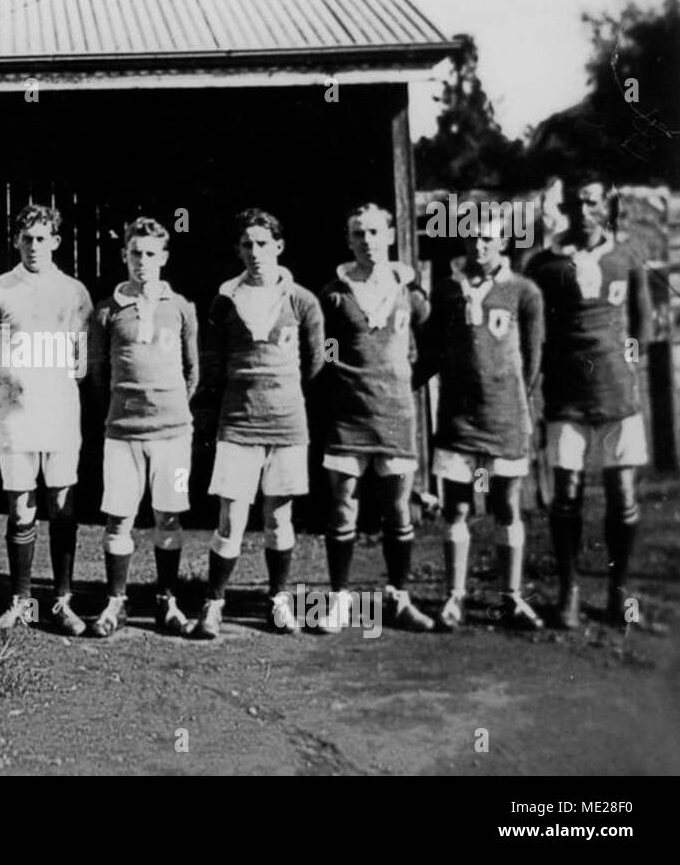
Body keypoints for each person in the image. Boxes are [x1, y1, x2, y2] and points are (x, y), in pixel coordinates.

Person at [191, 209, 324, 639]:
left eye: (263, 243)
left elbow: (316, 363)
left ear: (279, 247)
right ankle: (214, 603)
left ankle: (278, 600)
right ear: (237, 250)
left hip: (286, 424)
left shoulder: (302, 300)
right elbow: (212, 365)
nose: (255, 252)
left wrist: (281, 394)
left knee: (279, 518)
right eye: (247, 244)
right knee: (230, 518)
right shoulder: (225, 299)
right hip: (239, 424)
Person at [525, 176, 650, 628]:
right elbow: (532, 326)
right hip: (566, 397)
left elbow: (641, 324)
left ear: (605, 206)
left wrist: (625, 366)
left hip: (618, 395)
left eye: (592, 203)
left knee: (622, 493)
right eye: (575, 203)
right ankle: (569, 592)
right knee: (568, 494)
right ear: (565, 208)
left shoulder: (626, 257)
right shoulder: (543, 264)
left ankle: (619, 592)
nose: (583, 212)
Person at [417, 215, 545, 630]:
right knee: (457, 506)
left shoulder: (523, 292)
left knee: (506, 506)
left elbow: (533, 356)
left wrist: (514, 402)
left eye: (488, 239)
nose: (479, 246)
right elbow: (432, 352)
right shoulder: (447, 291)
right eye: (472, 238)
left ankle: (510, 597)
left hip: (504, 417)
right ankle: (454, 596)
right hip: (458, 417)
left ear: (503, 242)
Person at [0, 204, 93, 635]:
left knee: (62, 505)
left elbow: (80, 361)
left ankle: (61, 602)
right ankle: (22, 602)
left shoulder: (75, 292)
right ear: (16, 241)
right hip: (15, 416)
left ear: (56, 242)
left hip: (60, 411)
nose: (34, 246)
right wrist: (13, 390)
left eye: (43, 238)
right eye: (27, 238)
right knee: (21, 506)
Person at [317, 203, 434, 632]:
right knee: (343, 506)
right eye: (358, 233)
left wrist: (405, 377)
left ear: (389, 235)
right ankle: (340, 598)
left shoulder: (410, 292)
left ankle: (399, 597)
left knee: (398, 509)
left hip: (395, 415)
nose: (367, 240)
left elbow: (434, 343)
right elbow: (323, 347)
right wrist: (340, 377)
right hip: (349, 416)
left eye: (373, 232)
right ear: (348, 240)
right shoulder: (335, 291)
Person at [86, 217, 199, 638]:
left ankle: (166, 599)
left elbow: (193, 372)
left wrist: (168, 409)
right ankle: (116, 600)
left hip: (173, 433)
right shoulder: (106, 309)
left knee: (168, 517)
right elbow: (98, 377)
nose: (143, 261)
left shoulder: (181, 307)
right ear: (124, 256)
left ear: (164, 257)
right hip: (122, 433)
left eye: (152, 254)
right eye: (136, 253)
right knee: (119, 520)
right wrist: (122, 411)